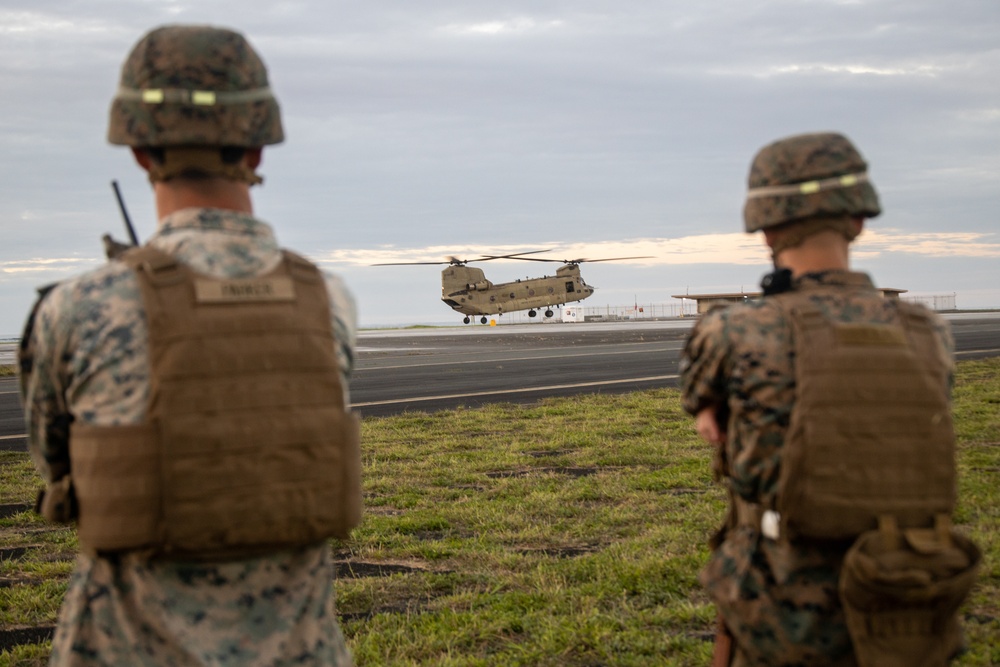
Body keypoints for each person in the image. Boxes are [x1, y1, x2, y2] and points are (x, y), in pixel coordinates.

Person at [19, 25, 361, 666]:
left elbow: (57, 470)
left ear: (139, 151)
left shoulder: (78, 309)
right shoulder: (329, 302)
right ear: (258, 147)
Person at [680, 132, 979, 666]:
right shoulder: (927, 331)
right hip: (905, 603)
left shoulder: (733, 330)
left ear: (765, 227)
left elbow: (708, 419)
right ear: (859, 219)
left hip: (780, 612)